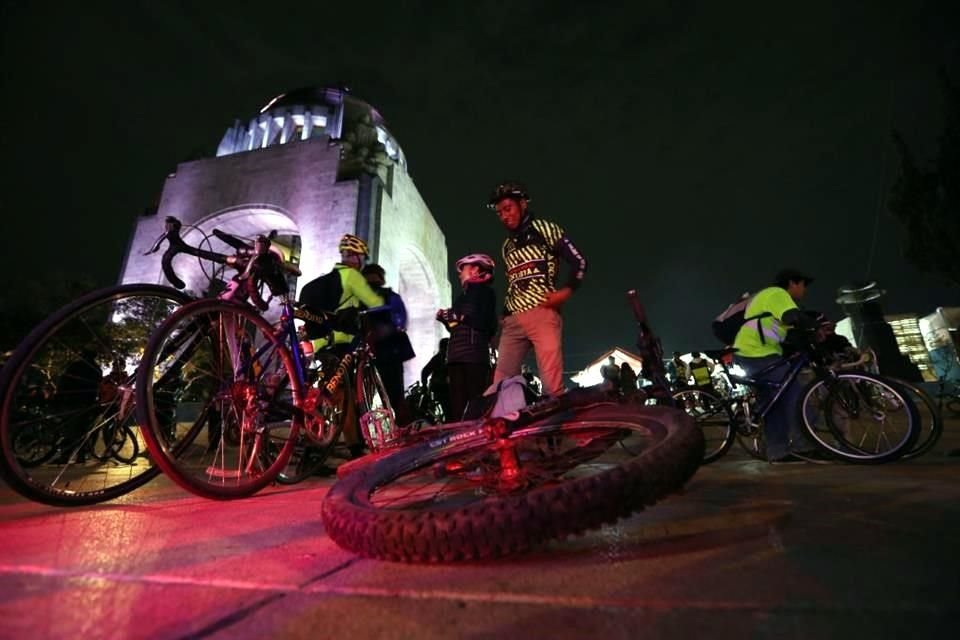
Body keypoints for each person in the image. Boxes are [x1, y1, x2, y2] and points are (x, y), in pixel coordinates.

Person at [488, 181, 588, 397]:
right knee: (500, 387)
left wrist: (566, 291)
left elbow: (580, 261)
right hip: (513, 321)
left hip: (542, 312)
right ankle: (507, 428)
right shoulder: (507, 246)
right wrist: (502, 319)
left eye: (508, 209)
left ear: (522, 204)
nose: (504, 216)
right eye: (499, 213)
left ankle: (556, 429)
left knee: (552, 387)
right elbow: (514, 283)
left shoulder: (546, 229)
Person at [298, 233, 384, 457]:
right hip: (342, 343)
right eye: (360, 258)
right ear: (356, 258)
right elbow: (375, 303)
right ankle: (345, 448)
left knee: (328, 394)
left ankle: (328, 446)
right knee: (340, 396)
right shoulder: (352, 277)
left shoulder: (329, 279)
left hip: (321, 344)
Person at [732, 268, 819, 463]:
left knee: (776, 402)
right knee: (796, 396)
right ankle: (804, 446)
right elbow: (791, 316)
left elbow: (785, 331)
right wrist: (816, 326)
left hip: (751, 353)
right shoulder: (777, 294)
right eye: (803, 285)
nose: (804, 290)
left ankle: (778, 451)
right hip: (757, 354)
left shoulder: (768, 297)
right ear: (793, 283)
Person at [436, 253, 498, 421]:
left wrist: (459, 316)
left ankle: (479, 441)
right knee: (457, 407)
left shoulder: (486, 293)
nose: (459, 274)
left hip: (474, 356)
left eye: (462, 270)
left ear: (475, 270)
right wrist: (446, 320)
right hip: (455, 357)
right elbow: (455, 328)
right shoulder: (462, 297)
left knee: (475, 405)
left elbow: (487, 324)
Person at [361, 263, 415, 424]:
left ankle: (363, 434)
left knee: (364, 396)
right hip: (389, 351)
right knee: (395, 394)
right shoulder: (390, 296)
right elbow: (401, 321)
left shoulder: (360, 296)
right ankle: (402, 428)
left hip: (368, 351)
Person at [420, 338, 451, 420]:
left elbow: (425, 372)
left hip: (440, 388)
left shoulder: (438, 358)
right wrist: (424, 386)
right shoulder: (439, 359)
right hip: (440, 389)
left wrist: (424, 385)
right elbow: (425, 372)